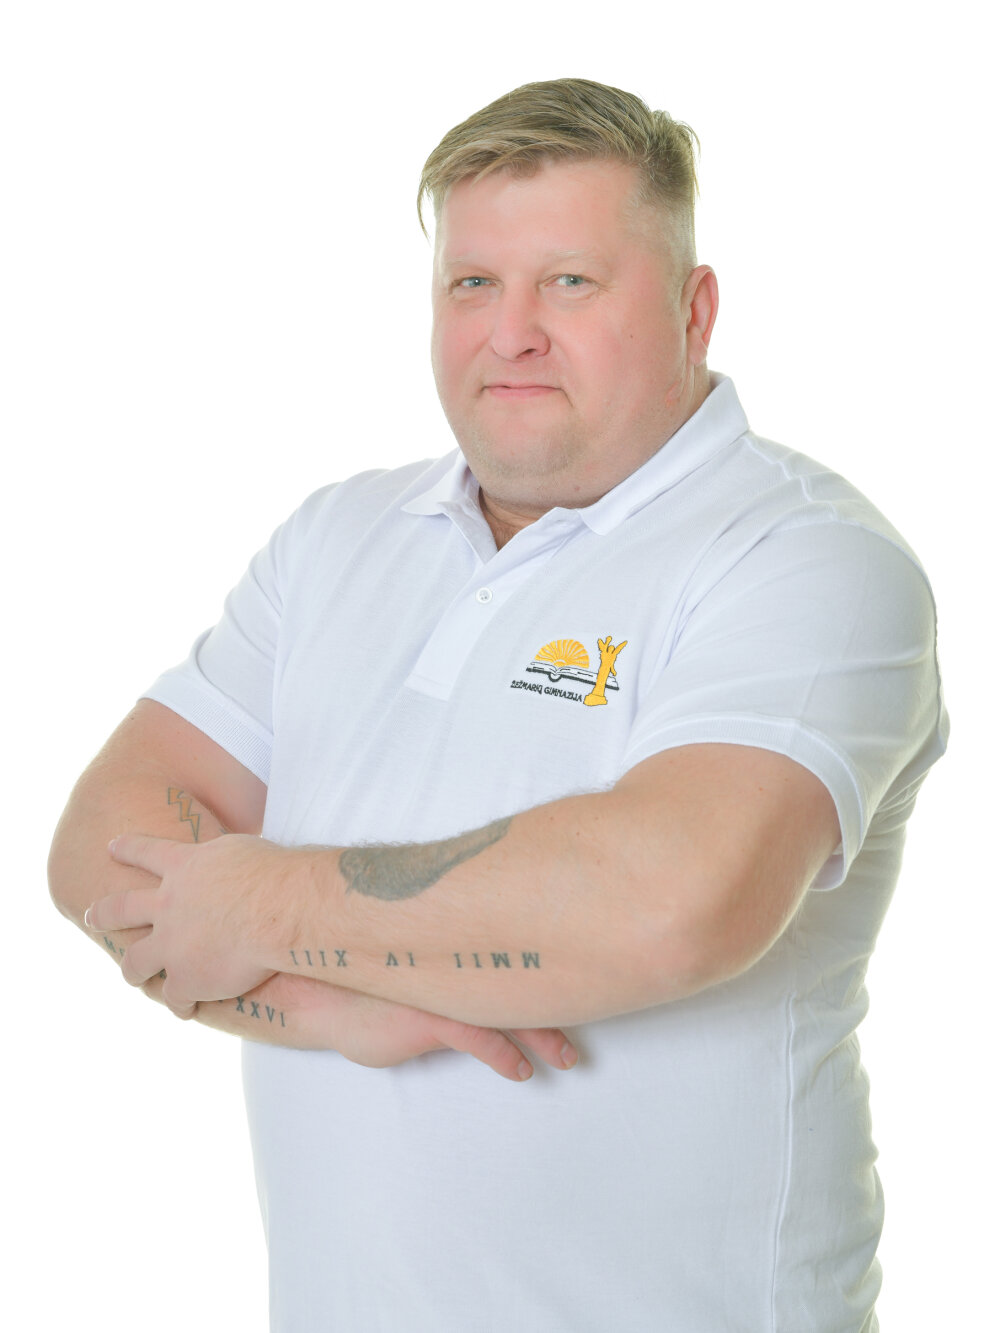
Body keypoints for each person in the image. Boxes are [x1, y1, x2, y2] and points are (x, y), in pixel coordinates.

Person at [49, 77, 947, 1332]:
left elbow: (669, 900)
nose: (510, 333)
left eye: (569, 283)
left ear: (693, 309)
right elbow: (103, 843)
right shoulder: (339, 536)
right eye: (473, 283)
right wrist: (328, 1006)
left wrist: (259, 904)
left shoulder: (801, 558)